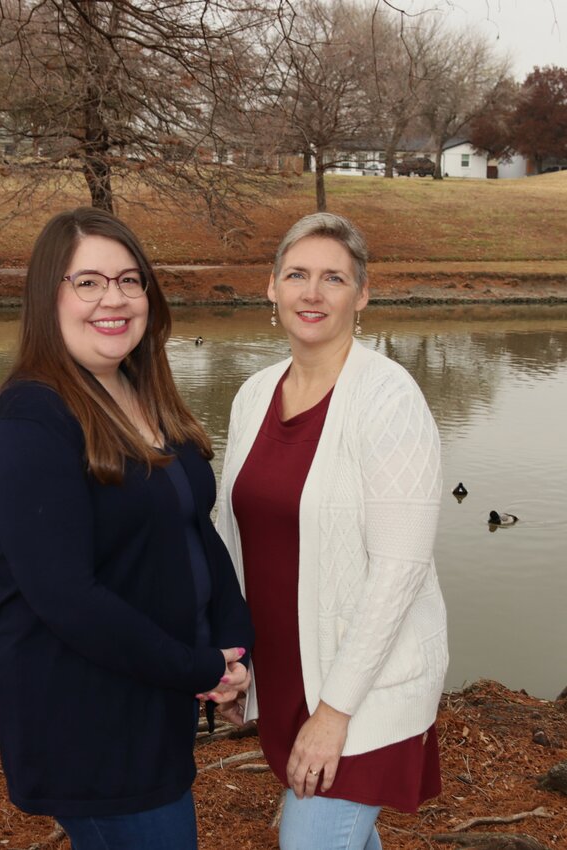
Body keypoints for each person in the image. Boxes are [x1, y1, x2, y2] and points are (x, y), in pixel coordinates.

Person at [0, 206, 253, 850]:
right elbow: (67, 598)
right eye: (89, 282)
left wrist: (234, 648)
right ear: (50, 296)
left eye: (131, 281)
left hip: (149, 691)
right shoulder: (30, 421)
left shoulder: (138, 391)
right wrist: (195, 667)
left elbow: (193, 526)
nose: (115, 299)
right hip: (84, 712)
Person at [215, 213, 448, 850]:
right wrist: (237, 659)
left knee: (313, 840)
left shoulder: (388, 397)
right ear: (272, 288)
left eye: (333, 279)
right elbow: (231, 535)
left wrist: (335, 712)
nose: (312, 293)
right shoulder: (253, 394)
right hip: (288, 670)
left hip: (363, 688)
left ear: (362, 294)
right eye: (297, 275)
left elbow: (400, 567)